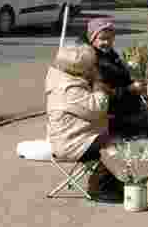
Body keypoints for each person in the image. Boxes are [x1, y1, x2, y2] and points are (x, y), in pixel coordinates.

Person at [45, 42, 117, 198]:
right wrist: (99, 85)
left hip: (77, 134)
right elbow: (98, 108)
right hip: (71, 143)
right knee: (118, 143)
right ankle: (99, 187)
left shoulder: (65, 78)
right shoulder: (68, 88)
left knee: (119, 133)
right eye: (91, 66)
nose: (94, 68)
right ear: (81, 69)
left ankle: (114, 182)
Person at [86, 18, 148, 160]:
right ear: (92, 39)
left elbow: (124, 78)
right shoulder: (93, 61)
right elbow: (103, 95)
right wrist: (130, 89)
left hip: (123, 107)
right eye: (102, 39)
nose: (107, 42)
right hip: (107, 116)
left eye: (110, 38)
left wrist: (138, 84)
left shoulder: (111, 55)